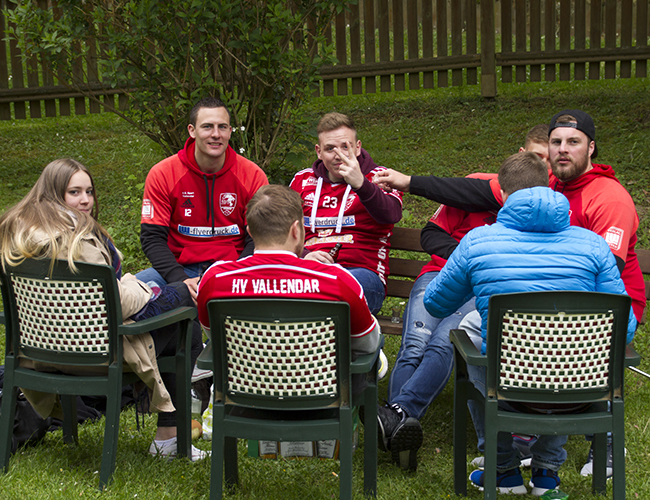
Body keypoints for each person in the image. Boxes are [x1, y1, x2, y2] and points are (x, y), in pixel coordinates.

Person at [374, 110, 644, 476]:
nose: (562, 150)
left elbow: (606, 279)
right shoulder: (553, 187)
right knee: (485, 331)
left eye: (573, 142)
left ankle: (586, 447)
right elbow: (469, 190)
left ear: (592, 147)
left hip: (597, 308)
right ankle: (533, 456)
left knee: (473, 332)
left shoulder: (608, 198)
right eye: (556, 142)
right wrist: (408, 182)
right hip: (548, 309)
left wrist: (485, 265)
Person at [422, 151, 637, 495]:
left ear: (503, 195)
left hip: (508, 388)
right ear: (549, 188)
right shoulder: (594, 246)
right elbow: (624, 327)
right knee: (560, 350)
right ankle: (546, 471)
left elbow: (435, 302)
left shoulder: (478, 242)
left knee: (470, 333)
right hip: (579, 389)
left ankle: (503, 468)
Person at [0, 159, 207, 461]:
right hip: (97, 355)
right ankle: (169, 437)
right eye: (74, 192)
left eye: (89, 191)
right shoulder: (76, 241)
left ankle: (169, 432)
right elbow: (116, 304)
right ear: (53, 193)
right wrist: (139, 287)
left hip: (39, 355)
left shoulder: (18, 237)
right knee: (184, 311)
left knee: (173, 303)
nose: (85, 200)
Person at [378, 125, 550, 472]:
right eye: (534, 155)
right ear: (520, 155)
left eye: (546, 160)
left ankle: (396, 417)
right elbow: (431, 233)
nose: (539, 164)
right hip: (439, 275)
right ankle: (401, 433)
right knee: (414, 344)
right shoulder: (476, 187)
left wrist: (476, 267)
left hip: (480, 287)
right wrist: (464, 258)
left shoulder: (543, 209)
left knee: (445, 341)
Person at [197, 184, 381, 358]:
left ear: (250, 232)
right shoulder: (337, 280)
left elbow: (215, 336)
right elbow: (367, 344)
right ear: (296, 230)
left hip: (242, 379)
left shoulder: (214, 279)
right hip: (317, 379)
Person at [138, 97, 269, 304]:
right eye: (207, 126)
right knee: (125, 296)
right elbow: (152, 238)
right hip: (180, 269)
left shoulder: (252, 175)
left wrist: (235, 273)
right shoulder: (163, 173)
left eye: (222, 127)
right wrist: (180, 280)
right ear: (192, 130)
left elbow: (260, 237)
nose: (216, 134)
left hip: (235, 267)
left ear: (230, 131)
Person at [289, 112, 402, 314]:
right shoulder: (302, 180)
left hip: (362, 273)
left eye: (345, 147)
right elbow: (281, 230)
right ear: (318, 152)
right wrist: (304, 255)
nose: (339, 155)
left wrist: (361, 185)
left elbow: (392, 214)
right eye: (330, 149)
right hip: (309, 271)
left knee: (338, 288)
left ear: (358, 147)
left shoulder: (381, 177)